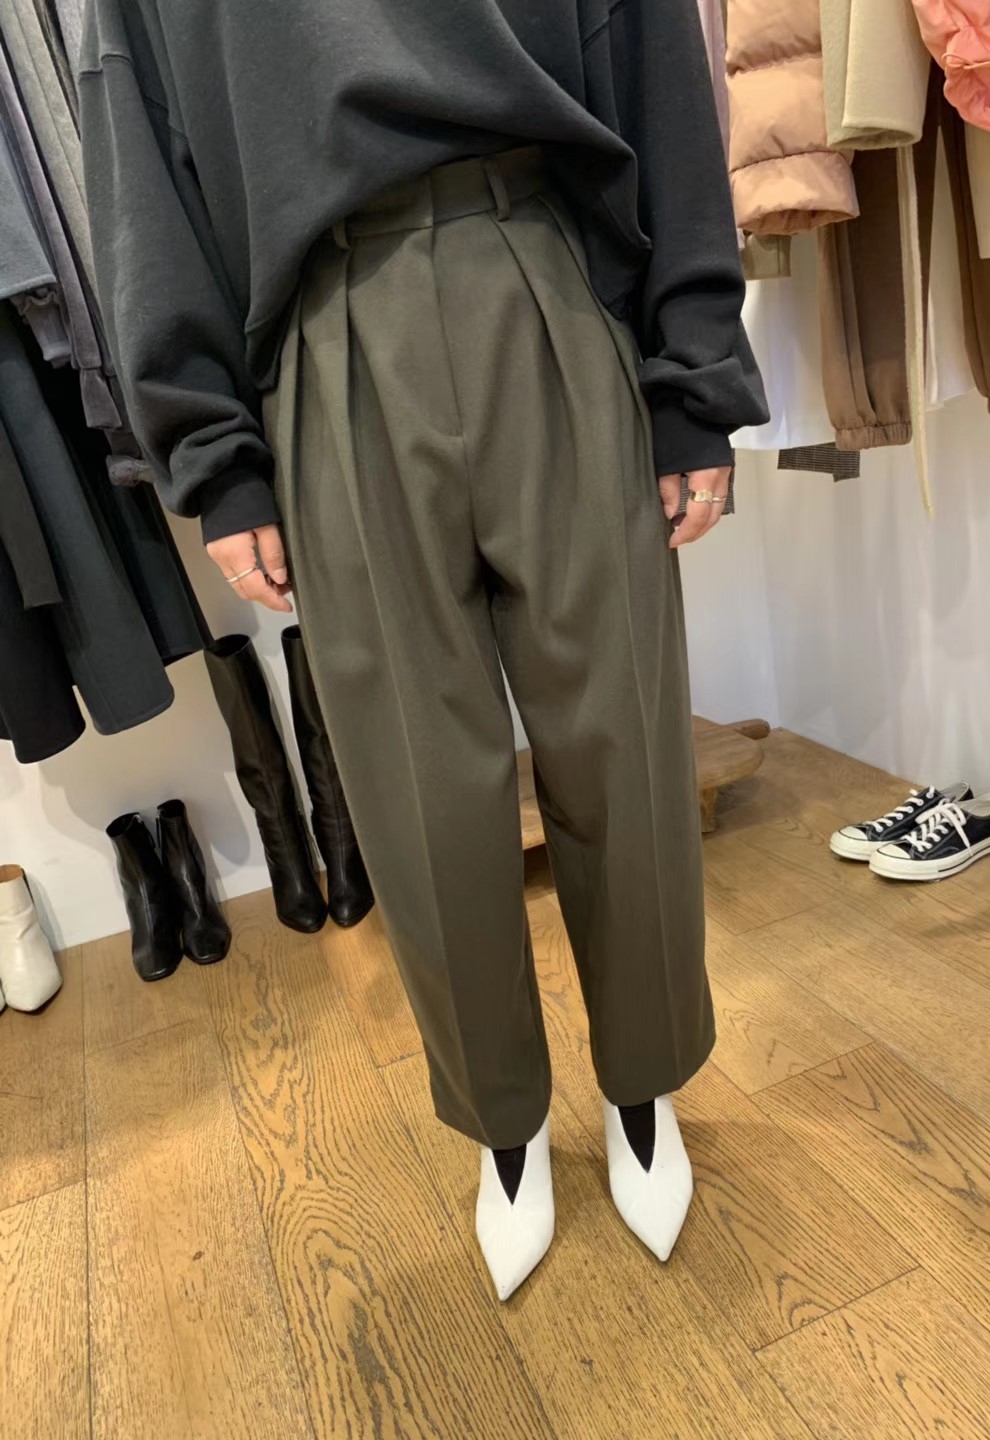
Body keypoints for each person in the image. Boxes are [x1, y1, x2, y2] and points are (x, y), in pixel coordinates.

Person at [79, 0, 768, 1300]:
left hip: (545, 266)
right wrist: (214, 453)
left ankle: (642, 1086)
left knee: (619, 735)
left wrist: (693, 376)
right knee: (416, 786)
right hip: (325, 323)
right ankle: (506, 1124)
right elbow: (141, 139)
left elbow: (651, 54)